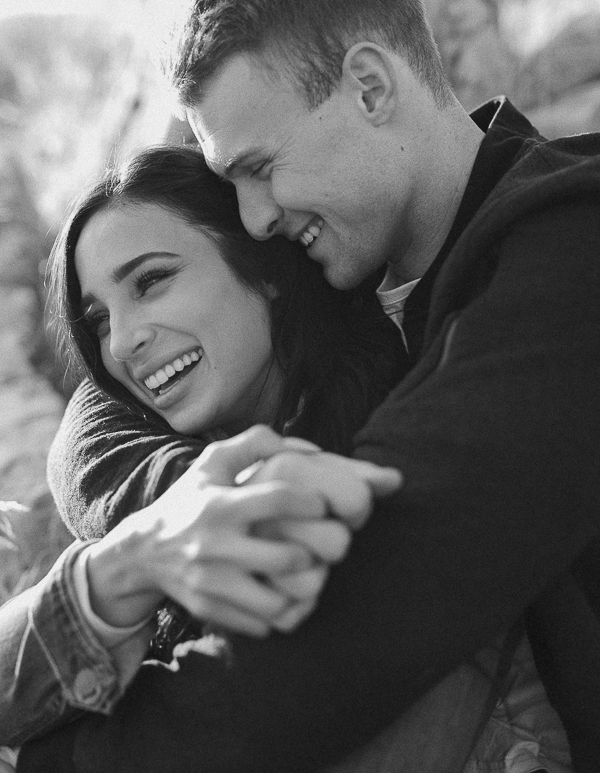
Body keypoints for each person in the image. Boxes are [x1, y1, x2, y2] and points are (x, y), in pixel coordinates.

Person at [12, 0, 599, 770]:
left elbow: (373, 614)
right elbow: (96, 409)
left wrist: (57, 760)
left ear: (370, 87)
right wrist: (188, 495)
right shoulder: (343, 269)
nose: (254, 219)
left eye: (258, 168)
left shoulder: (569, 253)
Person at [1, 149, 569, 773]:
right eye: (98, 321)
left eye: (152, 281)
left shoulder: (412, 433)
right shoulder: (120, 455)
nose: (124, 341)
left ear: (264, 269)